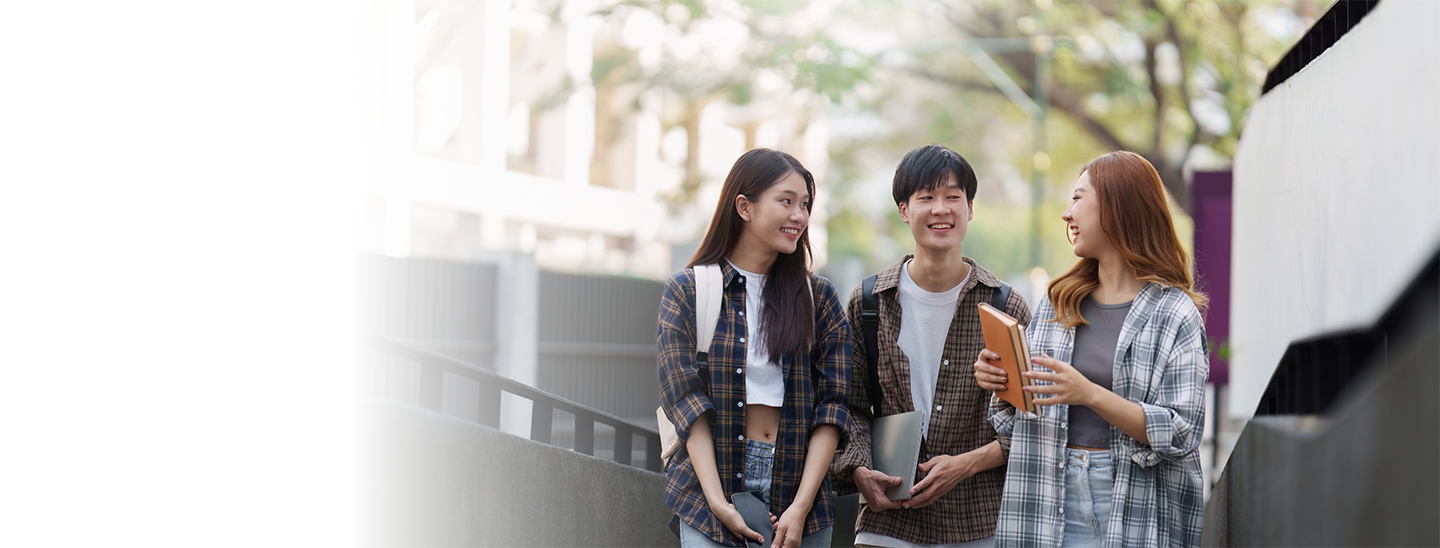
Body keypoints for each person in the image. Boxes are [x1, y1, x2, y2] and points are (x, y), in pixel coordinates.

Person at [974, 150, 1209, 547]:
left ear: (1117, 207)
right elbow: (1018, 421)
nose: (1067, 214)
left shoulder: (1174, 312)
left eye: (1078, 199)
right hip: (1046, 493)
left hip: (1131, 501)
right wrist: (1002, 384)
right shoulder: (1057, 302)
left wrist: (1089, 394)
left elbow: (1182, 431)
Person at [831, 144, 1031, 548]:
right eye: (926, 197)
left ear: (970, 209)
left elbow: (1032, 420)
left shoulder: (1004, 306)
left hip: (979, 522)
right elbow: (847, 405)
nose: (941, 209)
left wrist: (967, 464)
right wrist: (857, 469)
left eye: (953, 196)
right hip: (888, 521)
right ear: (905, 210)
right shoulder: (869, 302)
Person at [658, 148, 851, 548]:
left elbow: (833, 407)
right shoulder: (690, 291)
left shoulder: (820, 298)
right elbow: (684, 400)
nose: (799, 216)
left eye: (805, 204)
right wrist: (716, 500)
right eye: (786, 201)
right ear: (744, 206)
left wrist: (800, 507)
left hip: (801, 489)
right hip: (711, 484)